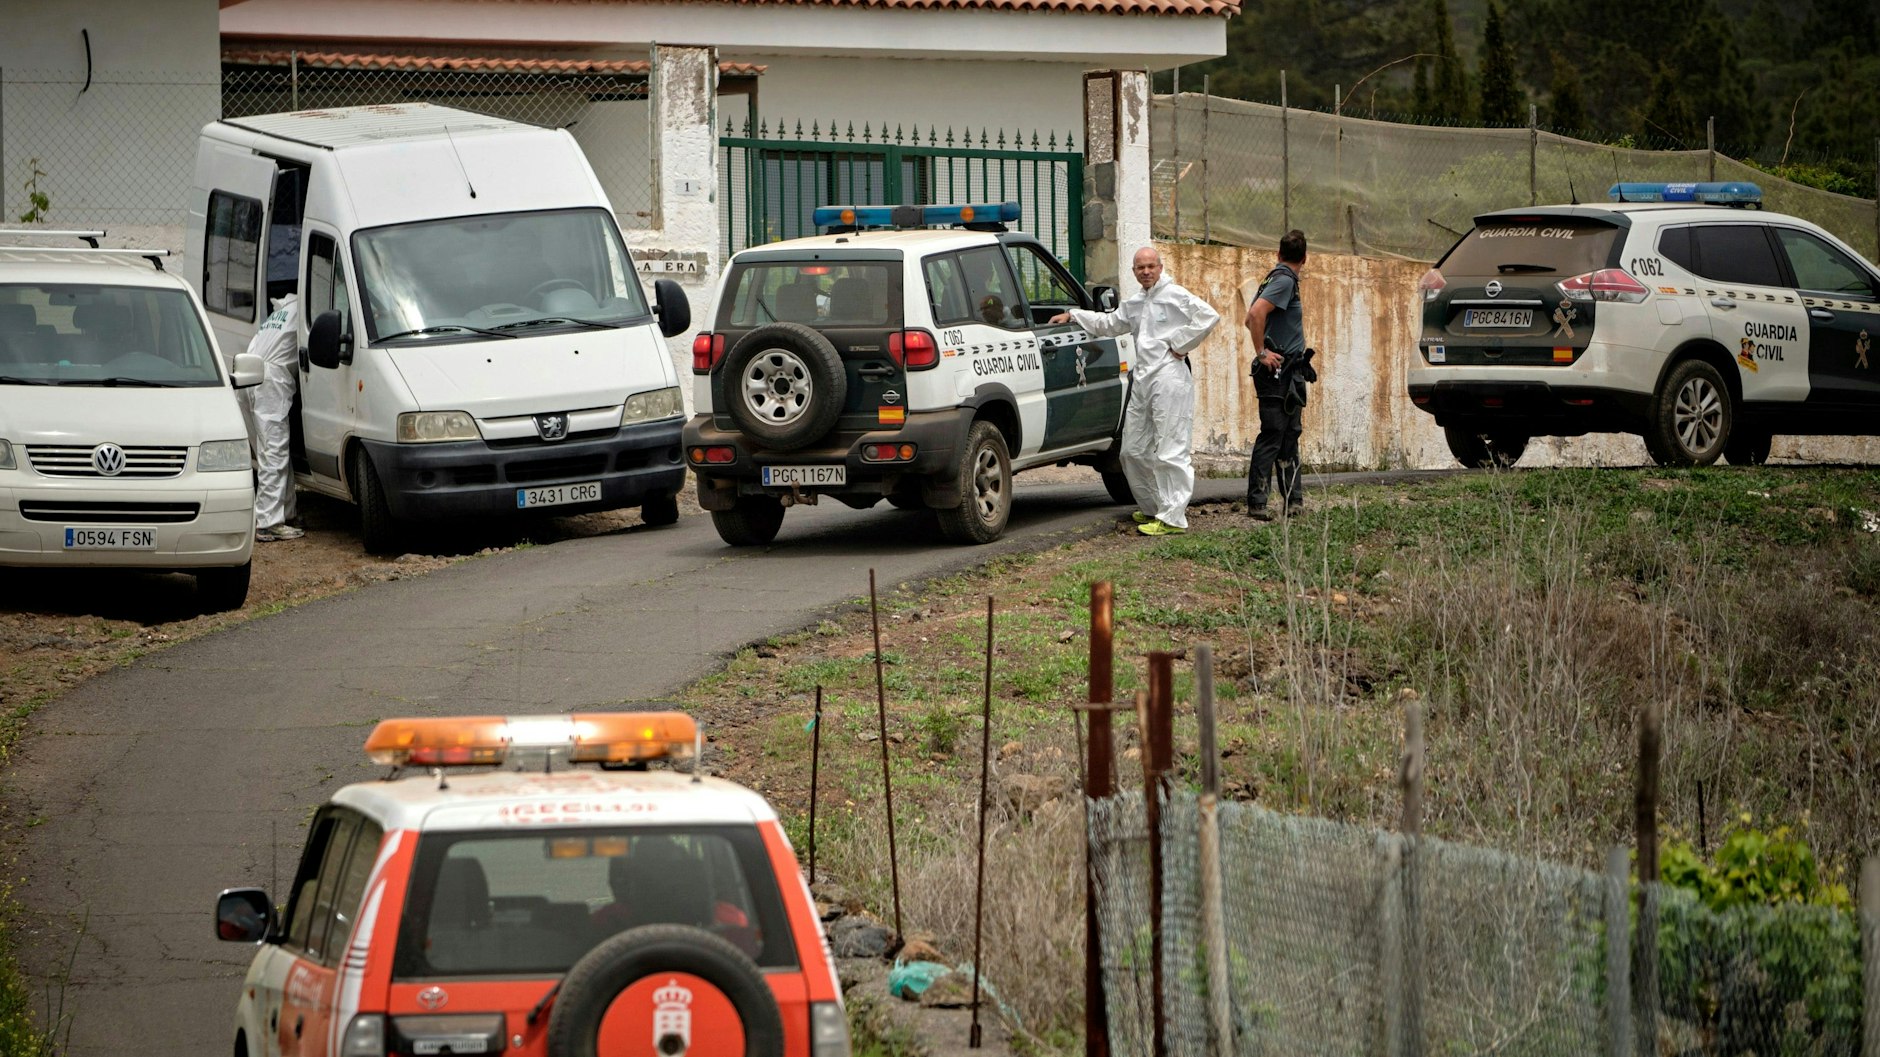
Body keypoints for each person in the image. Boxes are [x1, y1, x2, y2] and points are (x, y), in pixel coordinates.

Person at [1052, 247, 1220, 536]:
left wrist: (1179, 345)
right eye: (1140, 267)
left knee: (1170, 449)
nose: (1145, 272)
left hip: (1169, 378)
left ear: (1160, 267)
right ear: (1134, 271)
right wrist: (1074, 315)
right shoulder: (1136, 303)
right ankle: (1154, 507)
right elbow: (1109, 324)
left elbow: (1208, 316)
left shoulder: (1175, 295)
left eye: (1150, 266)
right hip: (1143, 378)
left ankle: (1173, 518)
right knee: (1132, 450)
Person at [1243, 230, 1312, 521]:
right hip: (1277, 373)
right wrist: (1262, 352)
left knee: (1289, 437)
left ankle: (1293, 502)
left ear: (1278, 253)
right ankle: (1257, 503)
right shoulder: (1283, 280)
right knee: (1273, 436)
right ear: (1305, 258)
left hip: (1289, 372)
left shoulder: (1277, 278)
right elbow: (1255, 314)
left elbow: (1249, 318)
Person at [245, 293, 303, 541]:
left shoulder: (280, 313)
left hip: (249, 372)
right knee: (274, 452)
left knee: (272, 450)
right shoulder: (303, 309)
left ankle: (286, 511)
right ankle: (268, 521)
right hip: (271, 380)